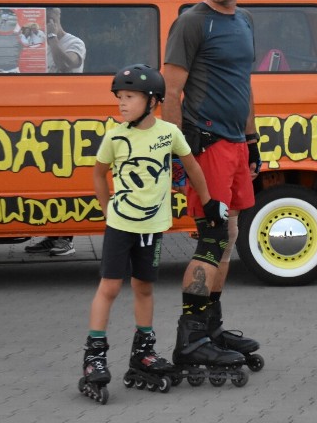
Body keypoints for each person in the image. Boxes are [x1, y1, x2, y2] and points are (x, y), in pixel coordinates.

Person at [79, 64, 228, 402]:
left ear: (152, 101)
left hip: (152, 227)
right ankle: (94, 355)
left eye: (129, 97)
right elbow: (99, 175)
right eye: (119, 97)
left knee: (144, 288)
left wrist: (208, 204)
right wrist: (108, 212)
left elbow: (192, 167)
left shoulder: (168, 133)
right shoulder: (115, 136)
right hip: (121, 225)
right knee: (111, 287)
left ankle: (143, 350)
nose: (121, 103)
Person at [162, 0, 263, 370]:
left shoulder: (244, 21)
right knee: (213, 237)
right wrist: (176, 153)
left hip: (236, 146)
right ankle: (189, 340)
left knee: (230, 236)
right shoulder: (192, 23)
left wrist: (253, 139)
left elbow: (244, 84)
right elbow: (169, 91)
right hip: (205, 145)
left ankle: (211, 328)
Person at [24, 7, 86, 255]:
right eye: (44, 16)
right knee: (47, 175)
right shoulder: (37, 43)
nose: (48, 20)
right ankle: (52, 234)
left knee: (63, 174)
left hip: (67, 118)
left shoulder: (74, 42)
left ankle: (66, 240)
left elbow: (68, 64)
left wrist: (51, 37)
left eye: (52, 16)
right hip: (45, 115)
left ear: (59, 17)